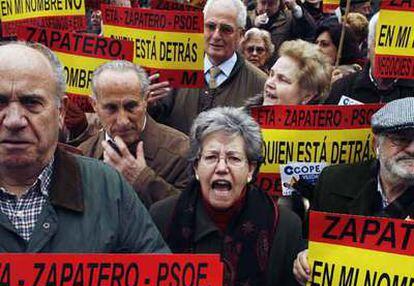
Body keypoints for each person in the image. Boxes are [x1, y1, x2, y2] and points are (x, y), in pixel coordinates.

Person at [0, 41, 168, 253]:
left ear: (61, 112)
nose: (14, 121)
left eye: (31, 103)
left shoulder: (107, 186)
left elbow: (157, 277)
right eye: (0, 102)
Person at [150, 107, 304, 286]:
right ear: (196, 167)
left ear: (250, 170)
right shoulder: (162, 217)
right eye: (211, 157)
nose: (222, 168)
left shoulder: (285, 225)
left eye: (233, 158)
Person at [293, 97, 414, 286]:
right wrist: (304, 259)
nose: (412, 149)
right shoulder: (334, 182)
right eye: (401, 139)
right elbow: (309, 240)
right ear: (376, 145)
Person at [79, 61, 190, 207]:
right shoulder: (82, 156)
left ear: (146, 100)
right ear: (94, 105)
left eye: (131, 106)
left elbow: (192, 217)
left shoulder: (182, 152)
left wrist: (142, 180)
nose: (123, 121)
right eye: (111, 108)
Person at [149, 0, 267, 135]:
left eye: (226, 29)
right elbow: (157, 123)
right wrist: (149, 106)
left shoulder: (260, 84)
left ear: (240, 35)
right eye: (210, 26)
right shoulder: (175, 69)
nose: (216, 36)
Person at [323, 13, 414, 104]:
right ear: (370, 46)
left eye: (396, 47)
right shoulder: (343, 88)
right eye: (381, 45)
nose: (387, 53)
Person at [246, 39, 332, 108]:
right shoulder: (237, 126)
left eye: (282, 79)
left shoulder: (324, 130)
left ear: (307, 97)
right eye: (271, 74)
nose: (269, 83)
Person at [249, 0, 317, 64]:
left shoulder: (289, 18)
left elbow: (310, 33)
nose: (266, 7)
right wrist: (253, 26)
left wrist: (295, 8)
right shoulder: (248, 17)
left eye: (271, 4)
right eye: (263, 3)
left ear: (279, 3)